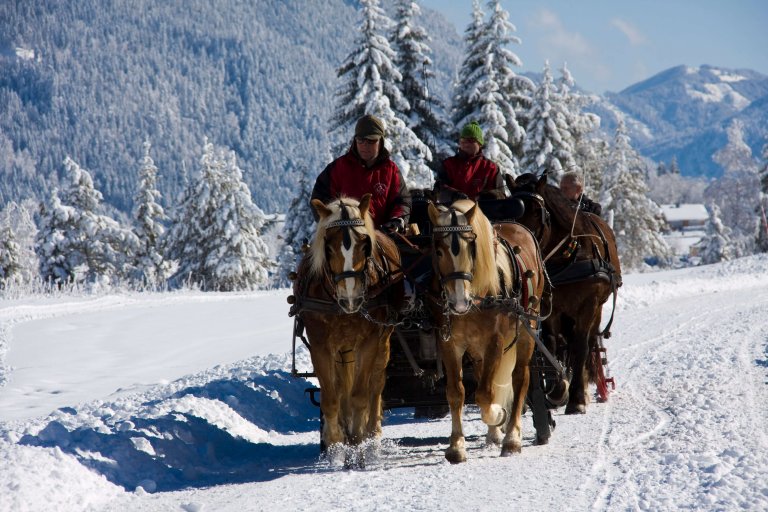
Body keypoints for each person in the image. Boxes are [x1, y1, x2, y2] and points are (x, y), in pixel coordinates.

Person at [311, 114, 411, 232]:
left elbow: (401, 201)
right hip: (345, 238)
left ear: (381, 141)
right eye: (360, 140)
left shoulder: (391, 170)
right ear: (355, 140)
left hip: (382, 237)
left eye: (371, 141)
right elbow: (319, 201)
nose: (365, 145)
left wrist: (397, 218)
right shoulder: (338, 168)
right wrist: (334, 223)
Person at [433, 121, 506, 203]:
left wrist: (488, 196)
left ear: (480, 144)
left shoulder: (491, 168)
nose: (466, 144)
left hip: (482, 212)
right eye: (463, 141)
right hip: (452, 211)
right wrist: (454, 195)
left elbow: (500, 195)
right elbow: (440, 189)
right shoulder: (448, 165)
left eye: (471, 140)